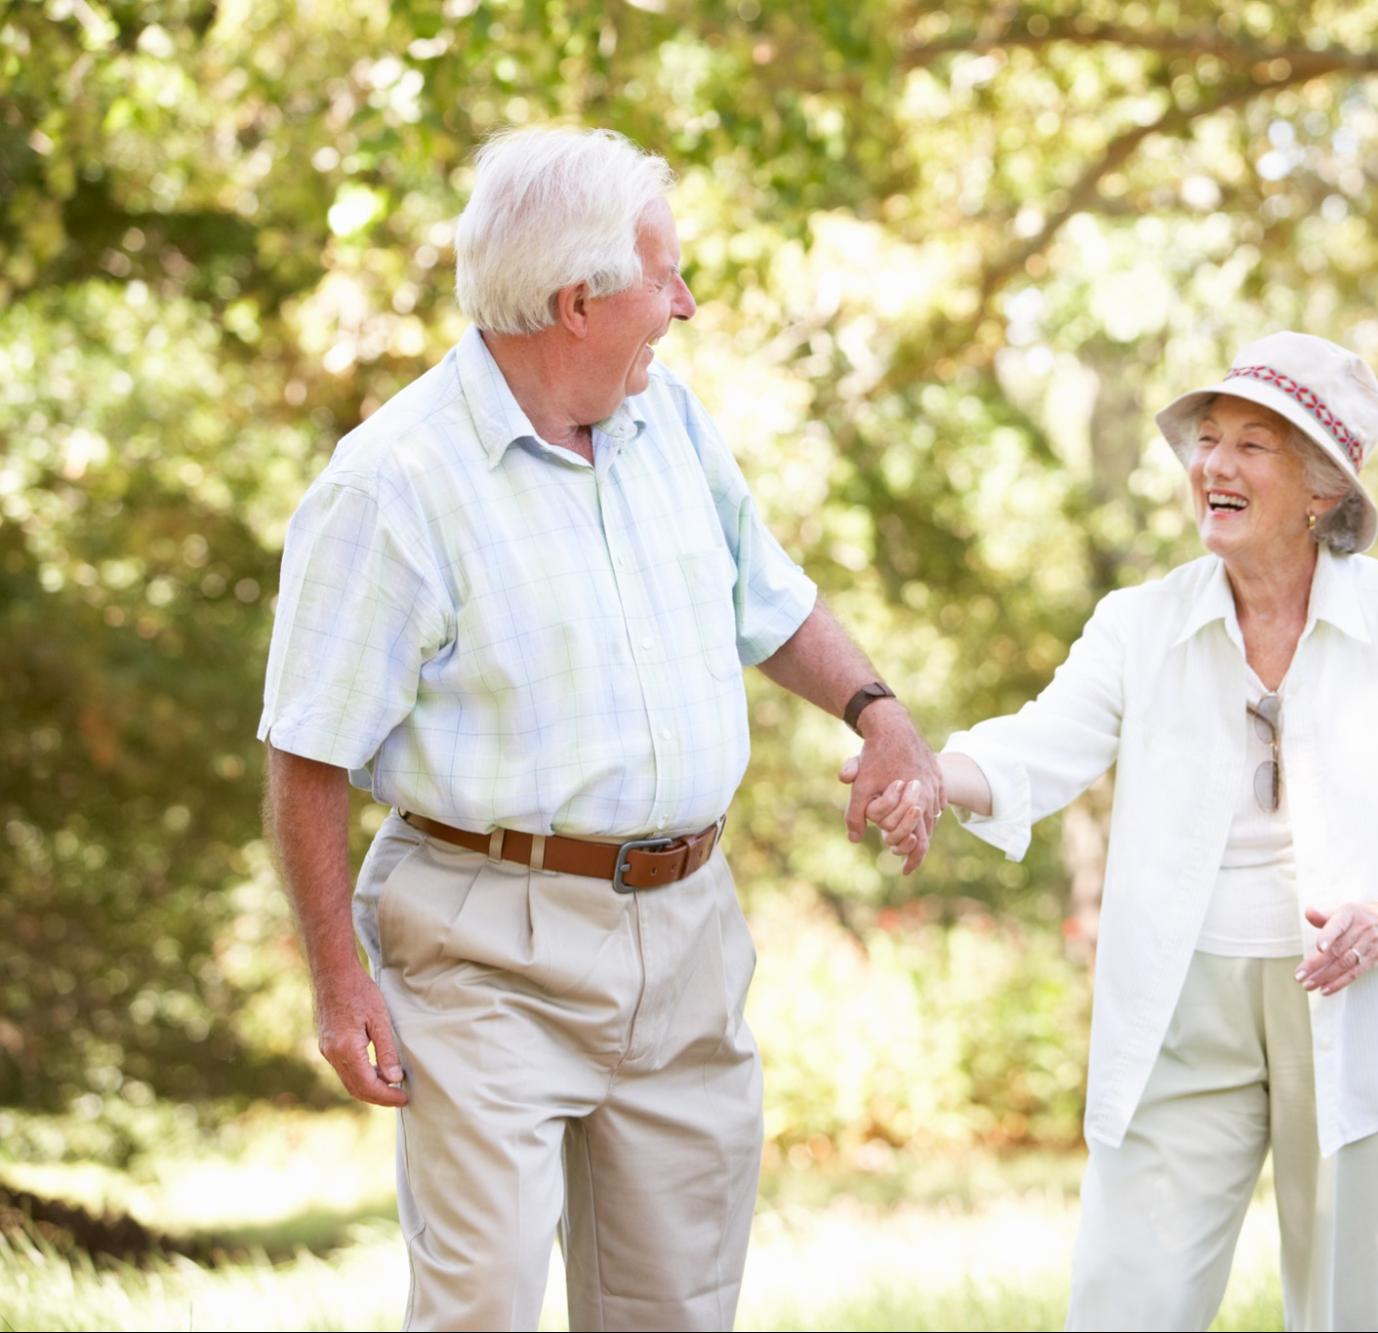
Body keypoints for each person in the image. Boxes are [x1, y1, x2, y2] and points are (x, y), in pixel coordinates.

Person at [259, 125, 940, 1332]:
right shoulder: (392, 485)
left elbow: (765, 596)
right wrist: (335, 979)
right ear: (576, 301)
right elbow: (306, 747)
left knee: (673, 1306)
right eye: (665, 276)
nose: (685, 302)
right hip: (484, 944)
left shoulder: (663, 418)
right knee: (482, 1305)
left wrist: (875, 712)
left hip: (685, 933)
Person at [863, 332, 1378, 1331]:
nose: (1212, 463)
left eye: (1251, 445)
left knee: (1355, 1307)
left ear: (1321, 488)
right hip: (1181, 994)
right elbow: (1044, 742)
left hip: (1360, 991)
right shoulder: (1142, 621)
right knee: (1125, 1296)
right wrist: (926, 772)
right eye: (1207, 439)